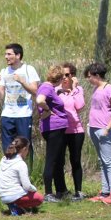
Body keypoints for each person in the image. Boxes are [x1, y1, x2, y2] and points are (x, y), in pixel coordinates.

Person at [0, 43, 40, 162]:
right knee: (8, 148)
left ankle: (28, 174)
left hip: (23, 115)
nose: (6, 57)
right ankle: (10, 175)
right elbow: (0, 96)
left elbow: (35, 91)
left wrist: (23, 82)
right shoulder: (4, 71)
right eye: (5, 54)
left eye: (9, 54)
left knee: (24, 146)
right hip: (7, 114)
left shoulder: (29, 69)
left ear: (18, 55)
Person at [84, 63, 111, 205]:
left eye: (90, 76)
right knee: (102, 160)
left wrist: (107, 128)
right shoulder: (96, 88)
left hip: (104, 130)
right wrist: (90, 126)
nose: (88, 79)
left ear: (97, 75)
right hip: (93, 128)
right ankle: (105, 191)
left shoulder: (109, 88)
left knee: (109, 160)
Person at [36, 65, 69, 203]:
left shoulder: (50, 88)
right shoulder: (46, 87)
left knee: (59, 160)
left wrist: (60, 92)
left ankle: (61, 190)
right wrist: (47, 109)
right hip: (54, 128)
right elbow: (40, 100)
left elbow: (48, 97)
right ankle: (49, 193)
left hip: (57, 128)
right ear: (60, 78)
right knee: (51, 160)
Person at [55, 62, 86, 201]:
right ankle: (61, 191)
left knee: (75, 160)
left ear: (73, 76)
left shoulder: (78, 89)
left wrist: (74, 89)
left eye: (67, 75)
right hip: (59, 130)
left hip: (76, 130)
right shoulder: (55, 90)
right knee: (58, 161)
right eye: (62, 75)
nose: (64, 77)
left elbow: (79, 106)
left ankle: (78, 191)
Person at [0, 136, 43, 216]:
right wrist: (34, 189)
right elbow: (27, 186)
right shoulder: (21, 164)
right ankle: (17, 207)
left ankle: (13, 206)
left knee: (26, 192)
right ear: (24, 149)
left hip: (3, 195)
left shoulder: (4, 159)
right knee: (39, 198)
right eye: (28, 149)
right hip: (13, 195)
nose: (28, 152)